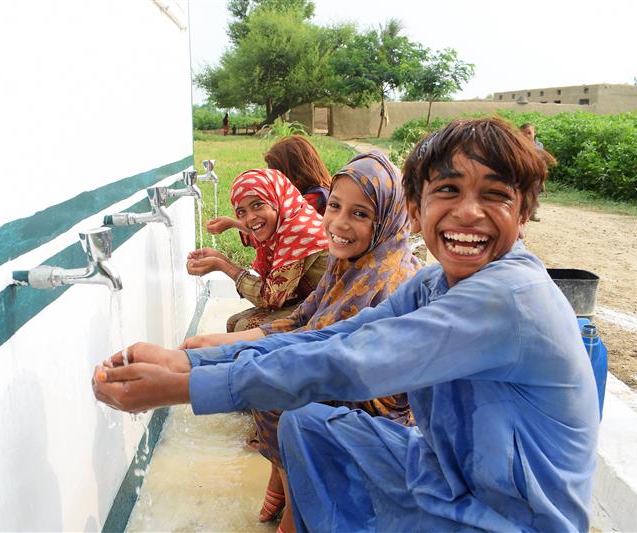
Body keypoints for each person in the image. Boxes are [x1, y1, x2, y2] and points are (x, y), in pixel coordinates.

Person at [93, 118, 598, 532]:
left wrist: (185, 387)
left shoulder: (508, 297)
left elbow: (351, 361)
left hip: (512, 515)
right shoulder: (434, 282)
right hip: (451, 472)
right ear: (416, 209)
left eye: (496, 195)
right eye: (448, 190)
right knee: (308, 425)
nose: (468, 212)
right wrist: (190, 362)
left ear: (523, 214)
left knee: (300, 399)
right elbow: (334, 334)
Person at [182, 150, 420, 530]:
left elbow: (314, 340)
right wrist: (220, 344)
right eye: (335, 206)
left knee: (273, 390)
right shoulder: (348, 261)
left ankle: (295, 509)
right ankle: (284, 481)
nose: (338, 222)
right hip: (341, 366)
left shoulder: (388, 280)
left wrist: (219, 361)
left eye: (360, 214)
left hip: (380, 407)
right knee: (251, 354)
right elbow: (302, 317)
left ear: (388, 217)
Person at [188, 168, 329, 332]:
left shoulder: (297, 231)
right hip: (312, 300)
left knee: (245, 327)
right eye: (241, 212)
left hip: (332, 310)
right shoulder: (289, 220)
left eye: (257, 205)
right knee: (233, 322)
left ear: (275, 199)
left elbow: (270, 298)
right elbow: (260, 233)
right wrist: (221, 252)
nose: (250, 218)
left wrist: (222, 265)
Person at [206, 136, 333, 239]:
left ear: (294, 174)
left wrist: (232, 223)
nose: (273, 183)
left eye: (277, 176)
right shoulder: (325, 191)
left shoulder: (313, 200)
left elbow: (276, 231)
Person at [519, 122, 546, 222]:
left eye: (530, 133)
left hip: (536, 174)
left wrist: (543, 173)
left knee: (535, 193)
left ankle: (532, 213)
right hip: (524, 173)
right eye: (525, 133)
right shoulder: (520, 145)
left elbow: (542, 160)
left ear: (535, 133)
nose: (528, 135)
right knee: (523, 193)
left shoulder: (539, 145)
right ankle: (523, 214)